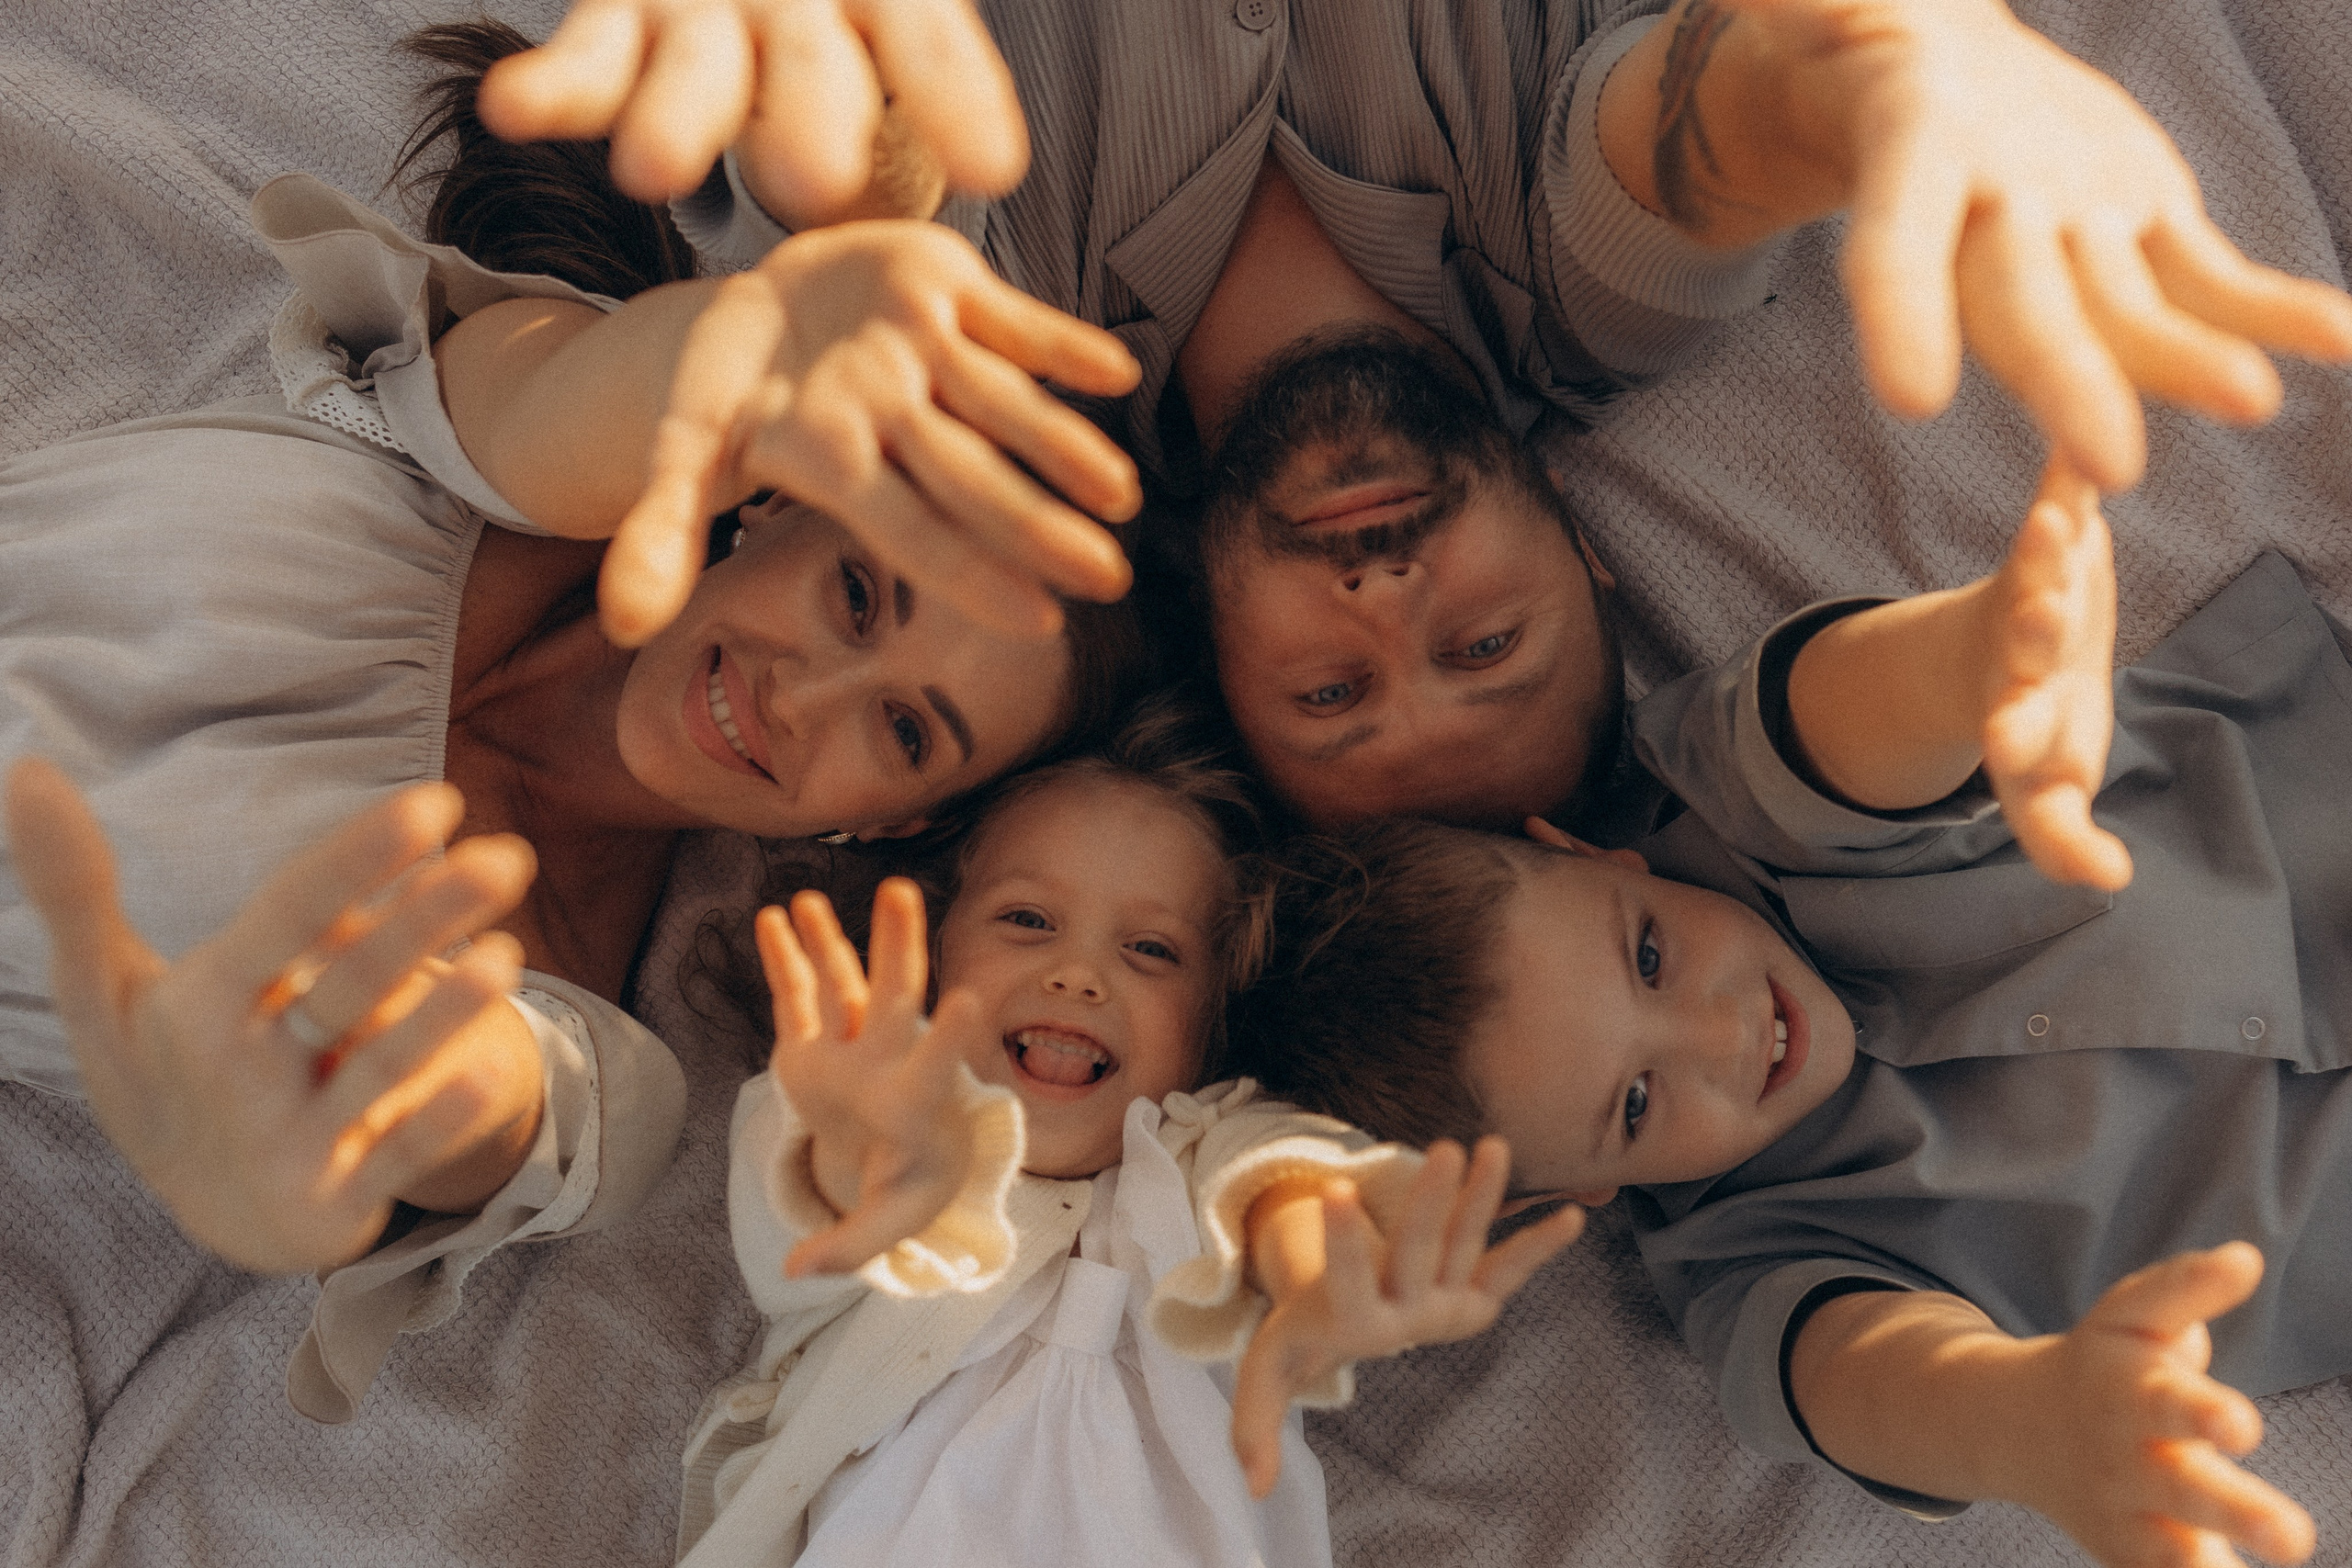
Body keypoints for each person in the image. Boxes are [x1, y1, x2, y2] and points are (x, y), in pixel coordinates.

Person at [0, 25, 1147, 1416]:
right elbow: (585, 403)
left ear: (893, 818)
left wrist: (304, 1150)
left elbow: (464, 1100)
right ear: (776, 492)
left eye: (908, 729)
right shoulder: (494, 450)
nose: (806, 691)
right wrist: (746, 340)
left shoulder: (586, 1051)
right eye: (858, 592)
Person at [475, 0, 2352, 833]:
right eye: (1480, 640)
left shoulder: (994, 358)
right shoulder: (1574, 282)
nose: (1382, 605)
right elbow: (1722, 115)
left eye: (1331, 690)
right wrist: (1899, 70)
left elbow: (863, 179)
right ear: (1566, 534)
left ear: (1217, 641)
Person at [1227, 463, 2352, 1568]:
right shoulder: (1751, 1269)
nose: (1723, 1037)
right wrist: (2027, 1422)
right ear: (1579, 1189)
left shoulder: (1729, 805)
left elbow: (1844, 716)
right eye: (1632, 1103)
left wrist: (1982, 654)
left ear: (1589, 852)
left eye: (1650, 955)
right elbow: (1874, 1378)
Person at [678, 705, 1582, 1565]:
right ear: (938, 942)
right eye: (1027, 920)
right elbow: (805, 1206)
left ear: (1213, 1021)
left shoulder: (1198, 1150)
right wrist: (877, 1161)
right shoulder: (858, 1107)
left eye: (1151, 951)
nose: (1077, 975)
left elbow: (1280, 1188)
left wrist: (1318, 1277)